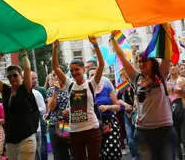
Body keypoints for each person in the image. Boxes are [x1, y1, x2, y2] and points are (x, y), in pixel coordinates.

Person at [110, 30, 176, 160]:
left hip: (165, 131)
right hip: (143, 132)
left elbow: (167, 56)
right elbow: (123, 58)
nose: (141, 63)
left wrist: (165, 30)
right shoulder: (136, 78)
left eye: (144, 60)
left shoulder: (161, 75)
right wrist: (113, 39)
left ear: (152, 62)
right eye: (139, 61)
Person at [52, 36, 104, 160]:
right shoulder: (70, 85)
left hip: (92, 130)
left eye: (77, 70)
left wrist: (95, 45)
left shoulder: (91, 84)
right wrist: (55, 49)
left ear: (84, 69)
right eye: (72, 70)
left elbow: (101, 64)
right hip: (75, 132)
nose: (74, 73)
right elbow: (56, 68)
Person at [0, 50, 39, 160]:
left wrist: (24, 54)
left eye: (15, 75)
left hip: (26, 138)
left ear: (21, 76)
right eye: (9, 76)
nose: (12, 78)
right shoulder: (6, 90)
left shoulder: (25, 88)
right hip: (11, 140)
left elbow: (27, 69)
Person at [87, 67, 122, 160]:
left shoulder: (107, 89)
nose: (95, 77)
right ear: (88, 78)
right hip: (94, 126)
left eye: (96, 74)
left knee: (112, 150)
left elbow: (118, 106)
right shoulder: (86, 92)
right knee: (99, 153)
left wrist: (108, 107)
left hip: (110, 124)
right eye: (91, 75)